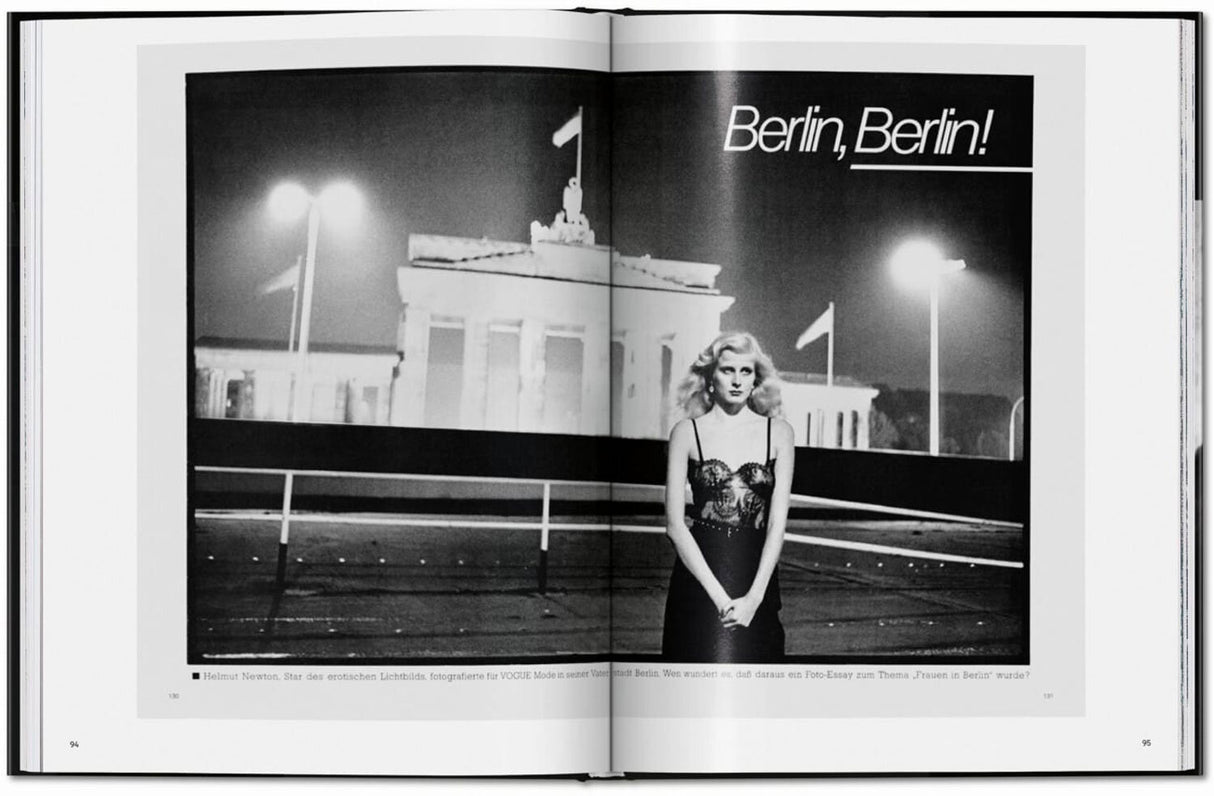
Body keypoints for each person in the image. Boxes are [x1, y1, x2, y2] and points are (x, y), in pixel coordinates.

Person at [661, 331, 795, 662]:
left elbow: (777, 524)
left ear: (756, 380)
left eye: (745, 371)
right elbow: (675, 526)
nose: (736, 380)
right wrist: (721, 601)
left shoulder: (779, 432)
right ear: (710, 377)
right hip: (700, 580)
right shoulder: (685, 432)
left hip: (757, 580)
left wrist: (753, 599)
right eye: (727, 370)